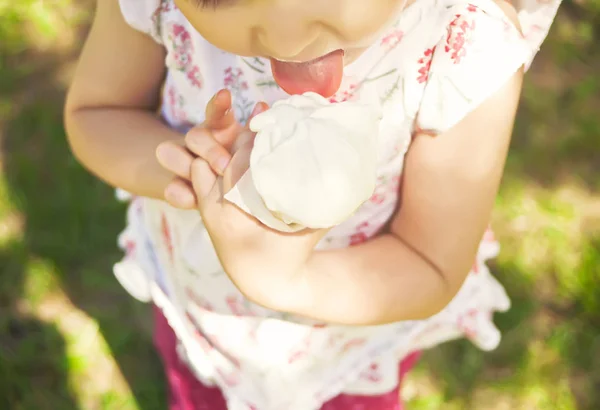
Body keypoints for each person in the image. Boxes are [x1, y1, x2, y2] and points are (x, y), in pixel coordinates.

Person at [64, 0, 561, 408]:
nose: (286, 39)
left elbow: (430, 264)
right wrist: (191, 173)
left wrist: (284, 279)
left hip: (338, 356)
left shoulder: (464, 43)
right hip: (200, 307)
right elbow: (98, 112)